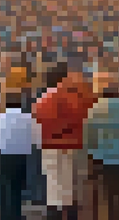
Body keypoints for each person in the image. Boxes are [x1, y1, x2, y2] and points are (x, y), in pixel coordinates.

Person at [31, 63, 94, 220]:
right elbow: (84, 117)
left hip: (50, 146)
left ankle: (54, 215)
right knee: (72, 186)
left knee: (54, 185)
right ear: (64, 77)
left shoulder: (42, 100)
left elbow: (37, 124)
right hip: (73, 145)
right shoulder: (75, 96)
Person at [82, 72, 119, 220]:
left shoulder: (95, 109)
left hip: (104, 159)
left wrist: (92, 157)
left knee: (109, 197)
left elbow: (89, 137)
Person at [0, 90, 37, 220]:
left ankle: (5, 215)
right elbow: (35, 138)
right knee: (17, 188)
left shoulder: (0, 119)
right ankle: (16, 214)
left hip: (4, 157)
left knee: (4, 187)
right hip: (21, 157)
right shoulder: (28, 118)